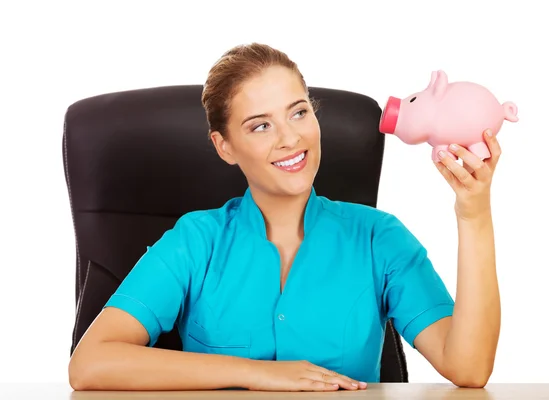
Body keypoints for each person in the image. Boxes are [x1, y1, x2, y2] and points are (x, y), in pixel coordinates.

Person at [68, 43, 501, 392]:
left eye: (298, 112)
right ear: (225, 147)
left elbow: (468, 367)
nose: (291, 138)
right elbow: (90, 364)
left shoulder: (378, 237)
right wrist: (258, 374)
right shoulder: (195, 240)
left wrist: (473, 210)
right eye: (260, 126)